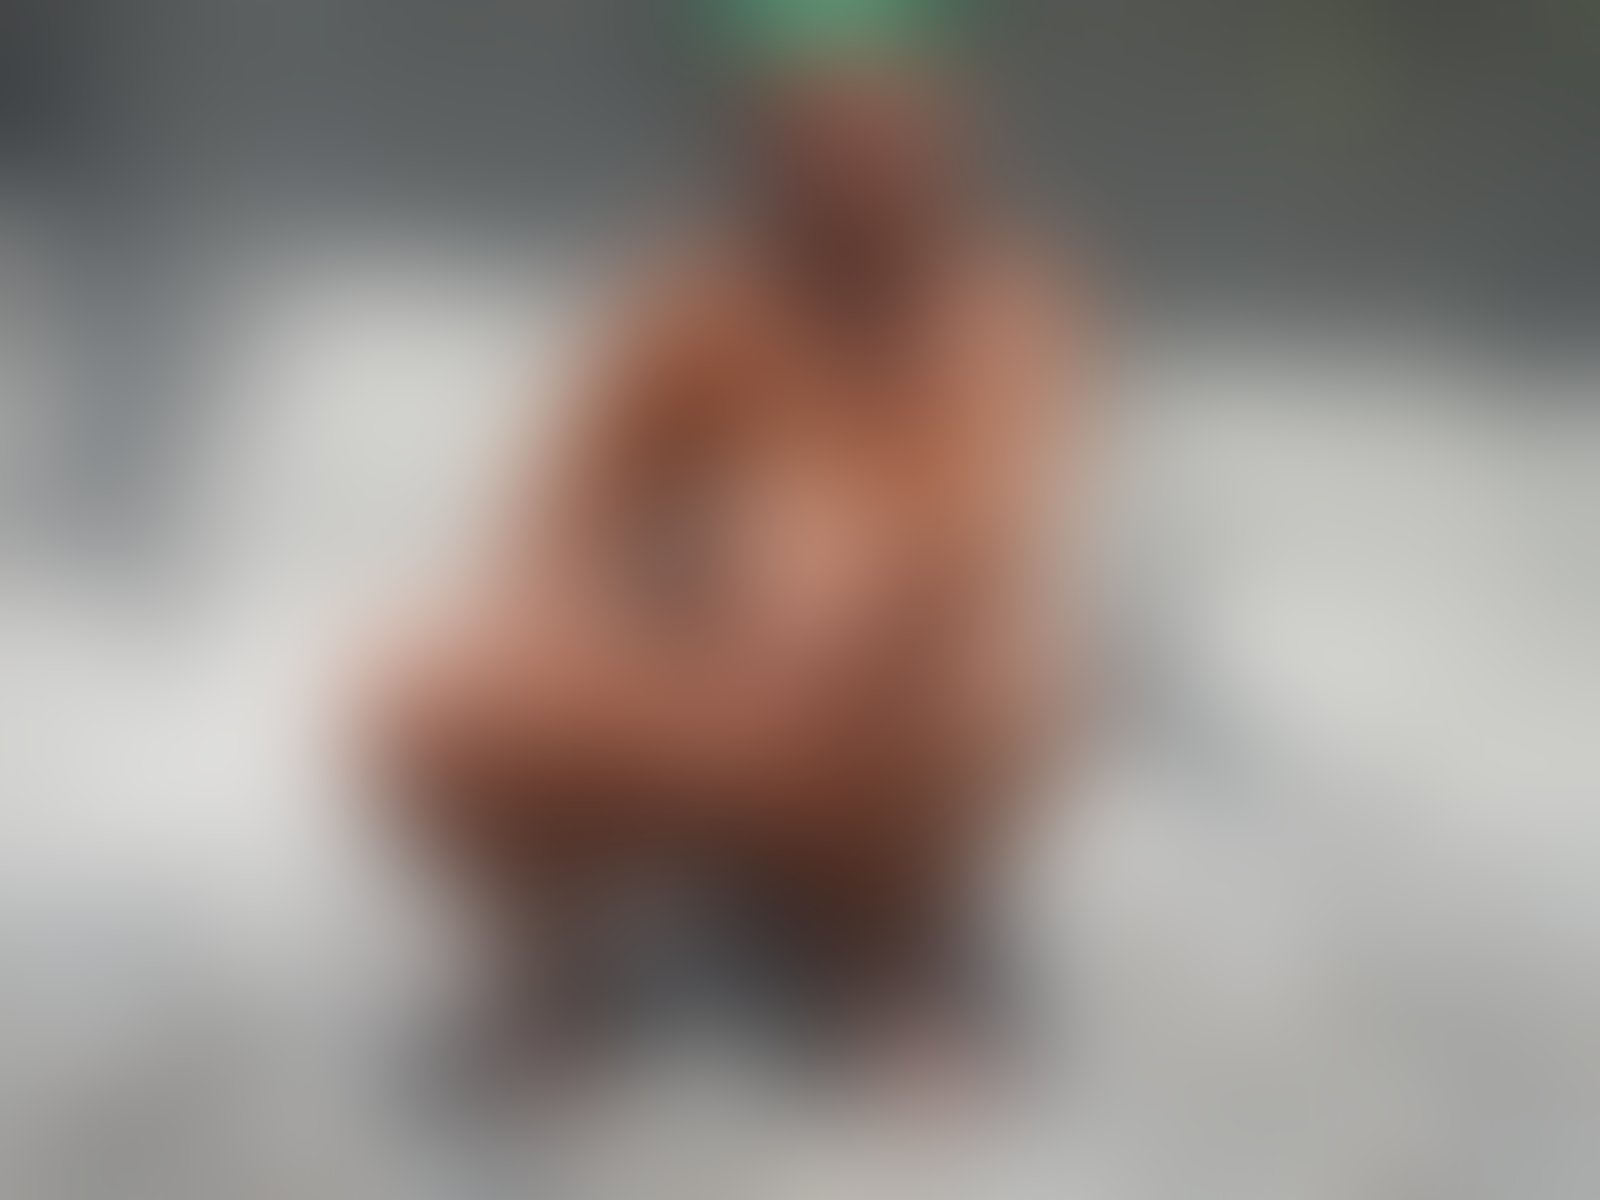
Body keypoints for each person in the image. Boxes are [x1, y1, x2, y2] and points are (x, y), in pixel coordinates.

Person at [366, 3, 1095, 1076]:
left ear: (946, 126)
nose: (853, 148)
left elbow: (992, 530)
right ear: (764, 133)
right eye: (817, 117)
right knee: (448, 701)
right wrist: (703, 568)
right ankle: (553, 958)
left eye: (886, 113)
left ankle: (878, 950)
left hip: (883, 693)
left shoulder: (1000, 308)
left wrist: (857, 575)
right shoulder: (693, 296)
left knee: (1004, 694)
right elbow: (558, 524)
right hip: (704, 679)